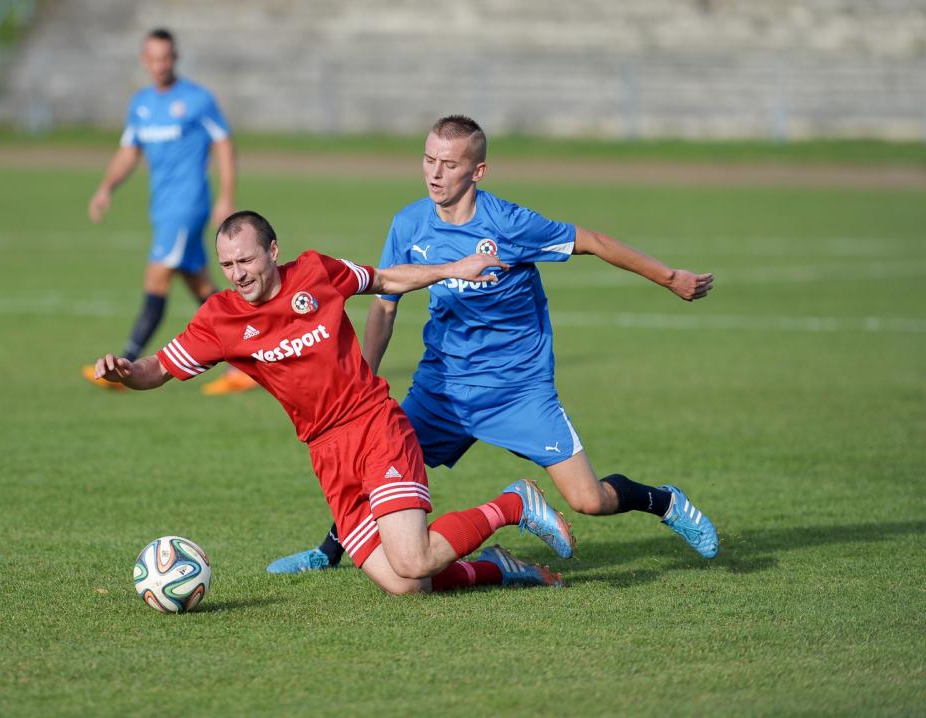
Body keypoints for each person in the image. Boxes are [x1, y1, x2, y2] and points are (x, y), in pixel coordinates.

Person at [268, 115, 719, 574]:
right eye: (428, 160)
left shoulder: (510, 224)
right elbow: (385, 305)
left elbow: (595, 241)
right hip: (443, 388)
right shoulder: (409, 225)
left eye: (448, 164)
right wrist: (363, 376)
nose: (434, 173)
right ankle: (328, 552)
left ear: (477, 172)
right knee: (377, 464)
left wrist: (669, 278)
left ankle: (663, 502)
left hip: (519, 390)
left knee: (590, 500)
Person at [93, 210, 577, 594]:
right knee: (406, 584)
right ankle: (495, 567)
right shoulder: (220, 317)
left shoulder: (315, 272)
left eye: (247, 260)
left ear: (272, 251)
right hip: (325, 452)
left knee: (412, 559)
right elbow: (157, 368)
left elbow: (385, 280)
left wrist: (455, 268)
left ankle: (513, 503)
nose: (238, 274)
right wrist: (126, 372)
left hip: (375, 427)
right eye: (228, 265)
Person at [83, 28, 253, 396]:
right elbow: (130, 151)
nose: (160, 65)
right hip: (162, 209)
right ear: (145, 60)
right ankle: (251, 362)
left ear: (175, 58)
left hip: (186, 207)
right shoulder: (141, 104)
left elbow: (223, 145)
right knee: (204, 288)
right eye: (154, 58)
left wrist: (226, 196)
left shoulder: (196, 100)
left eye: (167, 57)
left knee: (156, 278)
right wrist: (106, 187)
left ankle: (125, 365)